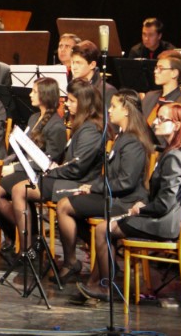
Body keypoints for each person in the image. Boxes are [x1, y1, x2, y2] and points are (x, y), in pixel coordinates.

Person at [76, 102, 181, 303]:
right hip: (167, 219)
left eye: (162, 119)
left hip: (165, 224)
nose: (155, 122)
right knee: (106, 227)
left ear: (177, 126)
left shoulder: (175, 158)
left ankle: (104, 287)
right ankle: (95, 283)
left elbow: (164, 204)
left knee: (103, 229)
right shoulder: (180, 151)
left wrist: (140, 210)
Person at [55, 90, 152, 283]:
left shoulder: (132, 141)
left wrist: (94, 188)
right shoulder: (123, 136)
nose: (109, 110)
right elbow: (110, 175)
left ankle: (87, 271)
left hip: (126, 201)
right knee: (69, 204)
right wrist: (90, 186)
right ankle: (102, 267)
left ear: (126, 110)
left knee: (65, 206)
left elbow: (126, 181)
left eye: (114, 106)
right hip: (113, 196)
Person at [6, 78, 104, 246]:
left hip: (79, 182)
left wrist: (51, 171)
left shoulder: (90, 130)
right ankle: (28, 247)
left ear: (84, 103)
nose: (67, 104)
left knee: (20, 190)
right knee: (20, 189)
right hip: (68, 177)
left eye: (72, 101)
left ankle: (28, 248)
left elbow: (77, 167)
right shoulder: (83, 125)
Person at [0, 77, 67, 248]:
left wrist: (14, 169)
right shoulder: (34, 118)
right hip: (25, 169)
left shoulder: (56, 126)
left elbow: (47, 162)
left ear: (45, 95)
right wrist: (5, 163)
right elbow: (22, 149)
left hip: (39, 174)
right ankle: (21, 231)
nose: (30, 94)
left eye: (34, 91)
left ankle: (29, 236)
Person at [141, 51, 181, 125]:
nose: (155, 71)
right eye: (156, 67)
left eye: (161, 68)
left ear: (174, 73)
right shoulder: (150, 96)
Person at [70, 40, 116, 106]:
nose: (74, 67)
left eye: (78, 63)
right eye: (73, 62)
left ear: (92, 65)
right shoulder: (72, 87)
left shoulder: (107, 91)